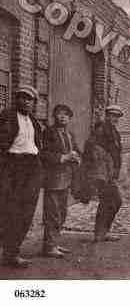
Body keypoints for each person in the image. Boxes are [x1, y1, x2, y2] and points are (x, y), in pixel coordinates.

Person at [0, 86, 43, 268]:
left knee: (26, 211)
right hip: (11, 166)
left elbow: (37, 144)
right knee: (9, 209)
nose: (25, 101)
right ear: (16, 99)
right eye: (22, 98)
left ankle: (13, 252)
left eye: (29, 99)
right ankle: (9, 251)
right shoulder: (6, 116)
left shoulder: (34, 121)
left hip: (31, 166)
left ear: (34, 102)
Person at [41, 104, 81, 258]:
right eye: (59, 114)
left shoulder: (70, 134)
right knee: (52, 213)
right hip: (53, 178)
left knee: (62, 212)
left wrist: (77, 157)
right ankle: (49, 246)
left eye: (66, 115)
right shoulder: (48, 132)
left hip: (66, 177)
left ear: (70, 118)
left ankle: (55, 243)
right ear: (54, 116)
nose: (63, 117)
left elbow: (76, 150)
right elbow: (43, 153)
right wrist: (63, 157)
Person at [83, 105, 123, 243]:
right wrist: (100, 172)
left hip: (110, 173)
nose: (115, 119)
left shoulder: (114, 132)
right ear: (107, 116)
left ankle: (104, 231)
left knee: (115, 201)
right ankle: (100, 233)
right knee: (108, 201)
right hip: (102, 173)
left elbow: (116, 152)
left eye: (117, 116)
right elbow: (92, 150)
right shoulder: (100, 131)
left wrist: (116, 169)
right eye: (112, 115)